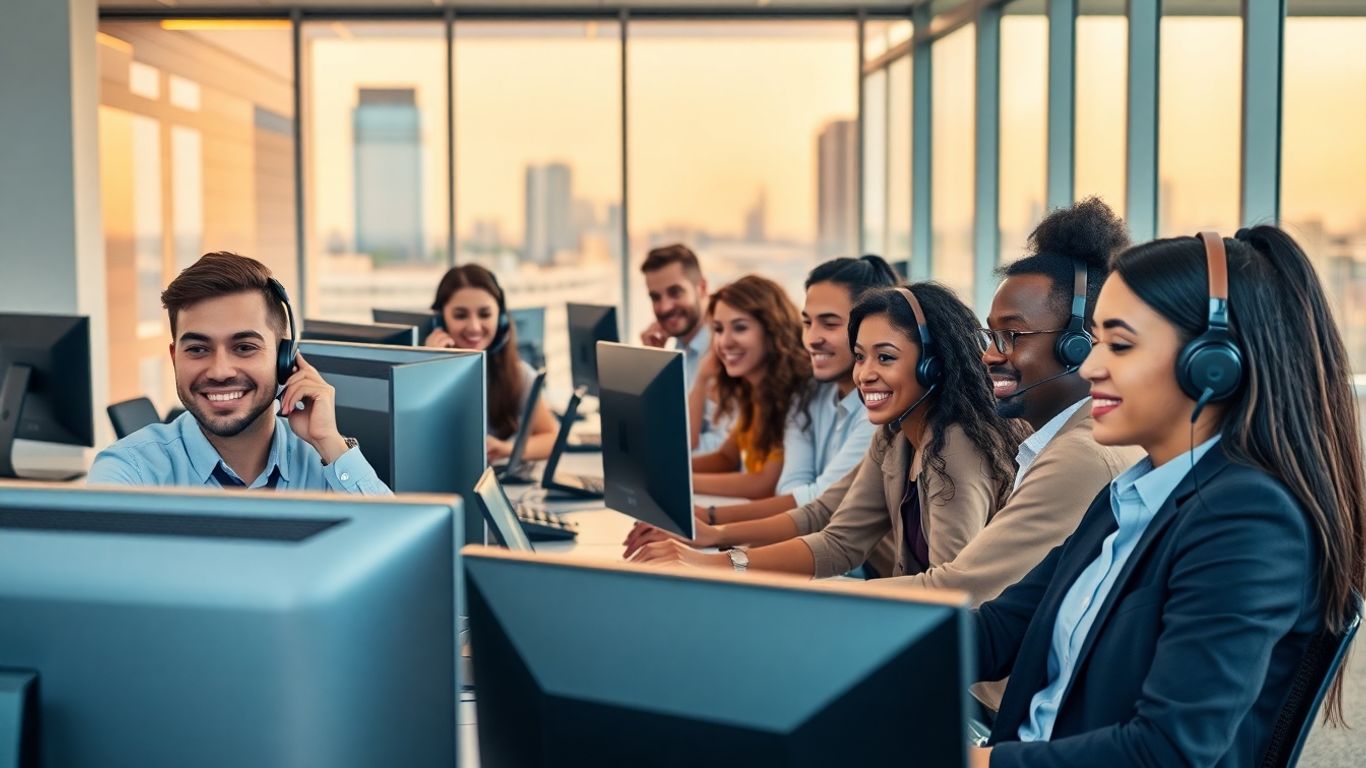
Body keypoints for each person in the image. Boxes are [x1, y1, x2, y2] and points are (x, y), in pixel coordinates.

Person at [970, 227, 1365, 767]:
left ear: (1211, 363)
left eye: (1121, 344)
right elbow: (1000, 629)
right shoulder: (1132, 495)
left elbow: (1167, 751)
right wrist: (852, 643)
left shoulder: (1249, 520)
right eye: (1096, 340)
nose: (1089, 366)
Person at [630, 282, 1023, 578]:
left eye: (885, 357)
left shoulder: (954, 447)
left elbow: (951, 592)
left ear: (932, 365)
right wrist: (715, 554)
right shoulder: (896, 435)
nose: (865, 375)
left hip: (974, 678)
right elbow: (838, 537)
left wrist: (713, 556)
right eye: (860, 356)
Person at [88, 252, 390, 494]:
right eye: (197, 349)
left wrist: (329, 442)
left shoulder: (326, 463)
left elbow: (400, 556)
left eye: (244, 347)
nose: (220, 371)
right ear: (175, 357)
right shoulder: (130, 472)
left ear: (284, 358)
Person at [688, 275, 812, 499]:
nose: (724, 342)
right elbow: (727, 457)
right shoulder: (753, 388)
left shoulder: (792, 393)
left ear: (772, 330)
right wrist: (665, 470)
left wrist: (679, 480)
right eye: (718, 329)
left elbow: (764, 484)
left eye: (740, 328)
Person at [425, 264, 556, 463]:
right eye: (460, 315)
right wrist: (428, 366)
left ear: (501, 319)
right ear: (440, 321)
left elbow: (551, 438)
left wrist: (508, 449)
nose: (474, 327)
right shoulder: (422, 374)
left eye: (485, 314)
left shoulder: (518, 375)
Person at [638, 244, 733, 453]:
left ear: (702, 288)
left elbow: (726, 447)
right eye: (655, 297)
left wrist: (663, 451)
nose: (664, 307)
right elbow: (665, 427)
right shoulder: (679, 347)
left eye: (675, 292)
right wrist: (652, 364)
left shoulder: (728, 351)